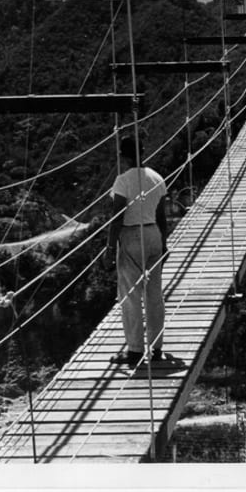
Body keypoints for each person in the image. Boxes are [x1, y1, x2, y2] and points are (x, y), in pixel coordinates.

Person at [108, 135, 170, 366]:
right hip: (154, 233)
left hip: (131, 236)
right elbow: (162, 217)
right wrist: (163, 244)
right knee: (154, 295)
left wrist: (109, 247)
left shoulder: (122, 181)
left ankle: (134, 351)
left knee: (131, 295)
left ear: (123, 156)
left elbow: (116, 218)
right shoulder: (157, 178)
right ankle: (157, 348)